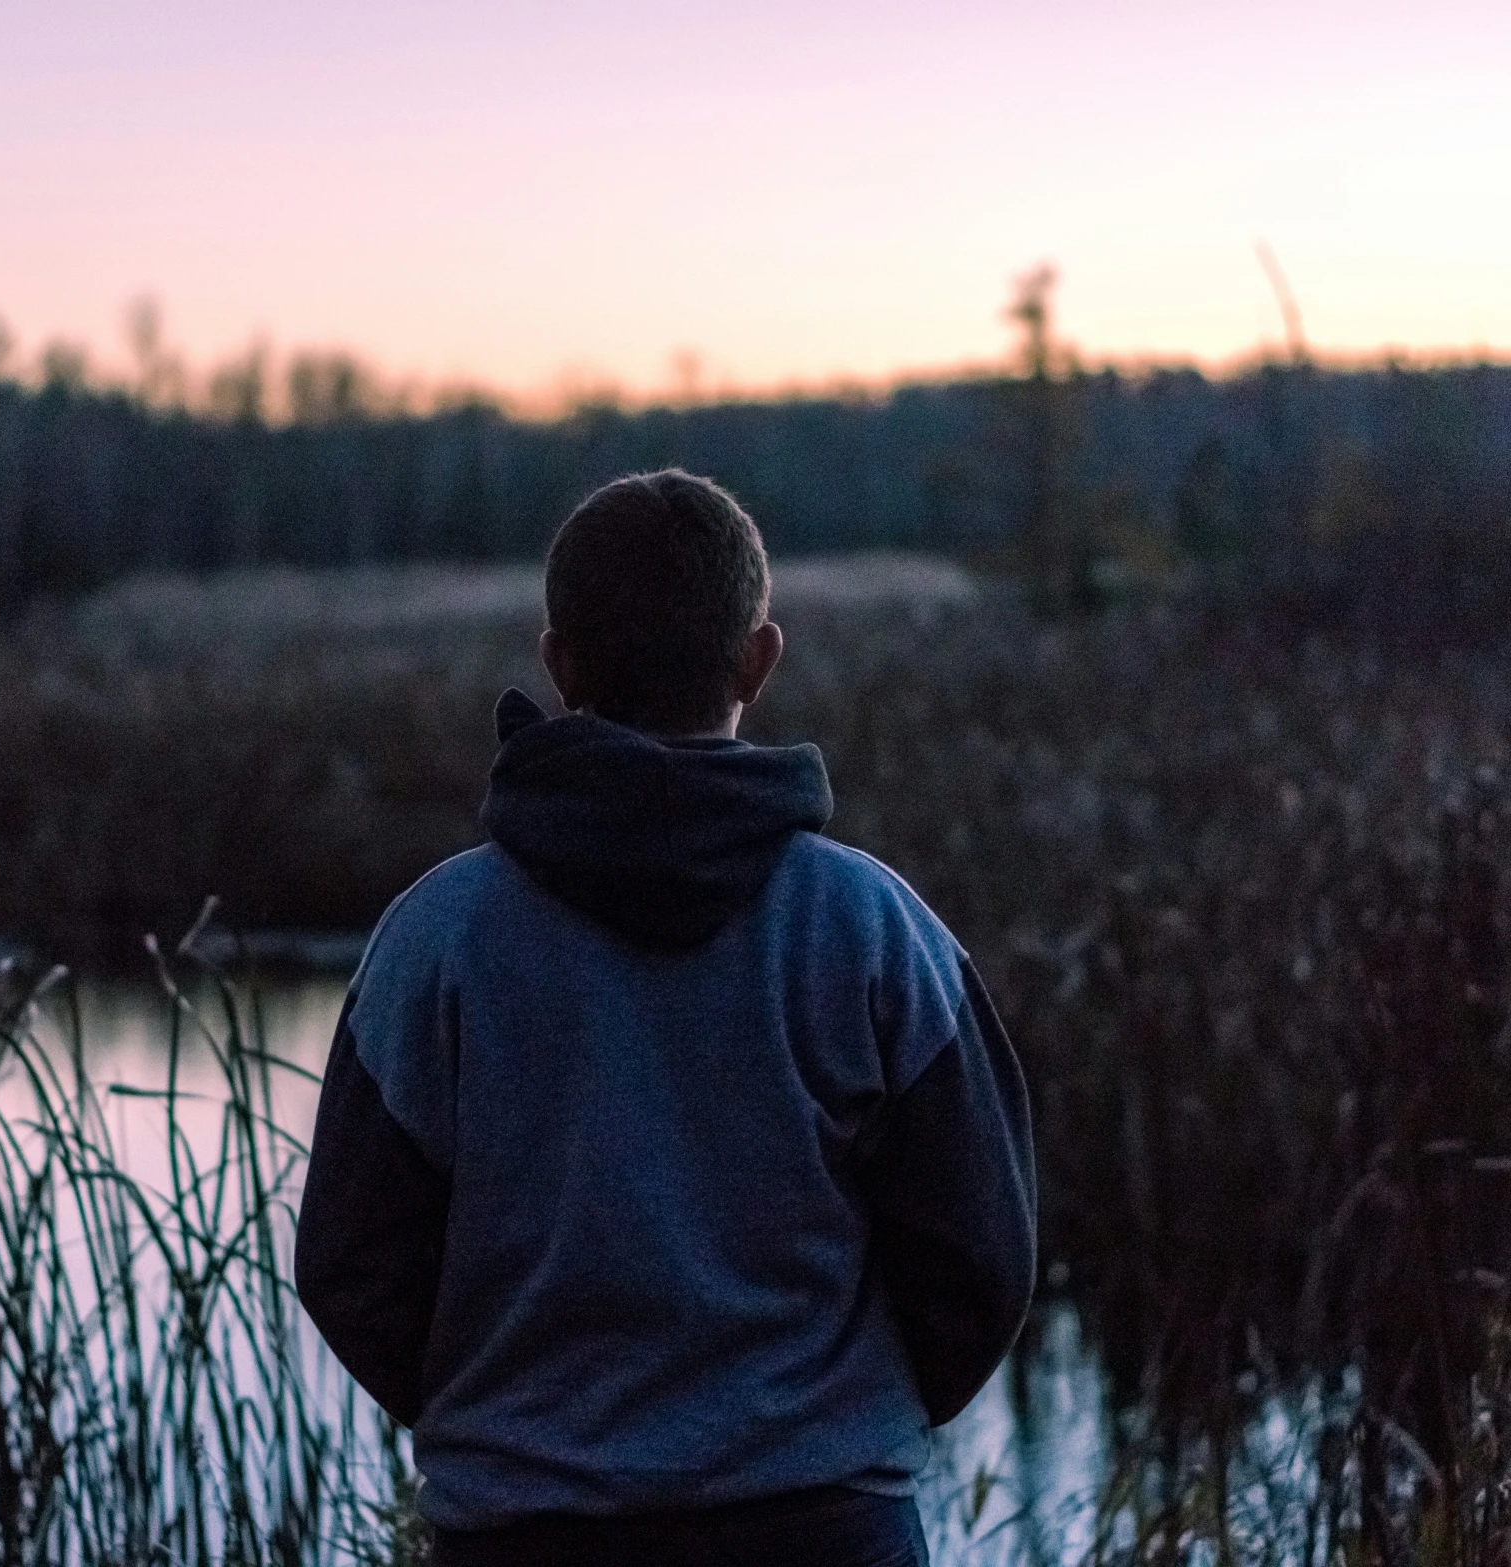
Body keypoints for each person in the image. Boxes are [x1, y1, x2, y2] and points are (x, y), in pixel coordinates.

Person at [294, 469, 1036, 1567]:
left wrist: (514, 1424)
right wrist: (825, 1426)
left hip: (524, 1538)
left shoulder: (435, 939)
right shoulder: (872, 928)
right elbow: (983, 1259)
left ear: (558, 663)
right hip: (826, 1533)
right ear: (757, 657)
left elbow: (350, 1262)